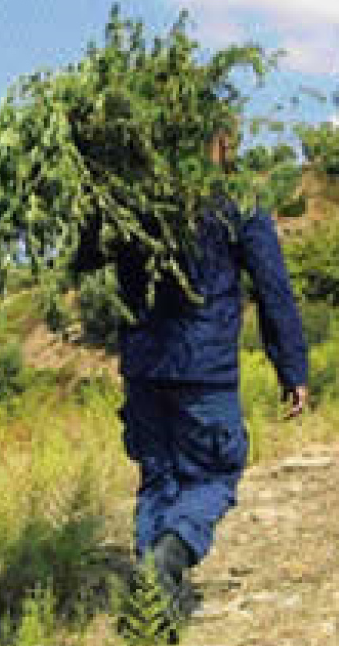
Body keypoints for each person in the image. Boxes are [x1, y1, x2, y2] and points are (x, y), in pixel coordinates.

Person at [112, 129, 309, 630]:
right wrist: (292, 368)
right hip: (204, 371)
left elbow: (86, 256)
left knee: (158, 477)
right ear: (220, 144)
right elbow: (273, 289)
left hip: (143, 369)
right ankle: (169, 558)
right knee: (214, 476)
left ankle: (153, 609)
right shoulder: (237, 202)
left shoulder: (133, 203)